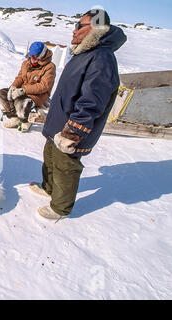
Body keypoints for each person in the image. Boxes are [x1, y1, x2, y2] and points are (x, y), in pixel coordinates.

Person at [29, 9, 127, 220]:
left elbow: (92, 101)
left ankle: (60, 207)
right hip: (59, 122)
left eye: (79, 26)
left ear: (97, 29)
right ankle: (48, 187)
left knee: (66, 166)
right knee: (50, 158)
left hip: (71, 129)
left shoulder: (102, 58)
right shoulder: (85, 52)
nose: (74, 30)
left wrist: (73, 132)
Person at [0, 41, 56, 132]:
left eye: (35, 56)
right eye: (31, 56)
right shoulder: (26, 63)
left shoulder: (50, 67)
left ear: (42, 55)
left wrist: (23, 90)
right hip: (23, 89)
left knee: (23, 101)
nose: (32, 58)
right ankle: (14, 118)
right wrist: (13, 87)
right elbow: (20, 78)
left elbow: (44, 86)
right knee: (2, 94)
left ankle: (24, 121)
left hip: (39, 95)